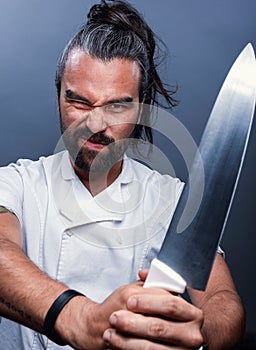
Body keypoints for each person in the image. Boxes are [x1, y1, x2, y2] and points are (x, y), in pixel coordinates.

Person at [0, 1, 245, 349]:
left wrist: (191, 334)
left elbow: (224, 303)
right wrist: (78, 318)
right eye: (80, 103)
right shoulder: (16, 184)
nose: (96, 124)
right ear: (58, 98)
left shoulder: (170, 200)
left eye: (117, 106)